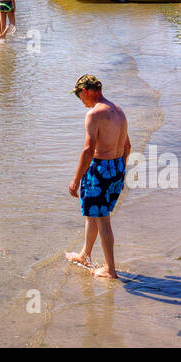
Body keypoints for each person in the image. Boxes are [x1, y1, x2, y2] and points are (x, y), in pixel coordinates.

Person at [65, 74, 130, 280]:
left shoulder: (94, 114)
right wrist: (118, 172)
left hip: (100, 168)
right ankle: (85, 254)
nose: (81, 101)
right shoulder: (118, 110)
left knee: (102, 218)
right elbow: (127, 146)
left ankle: (110, 269)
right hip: (118, 166)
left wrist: (75, 180)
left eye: (79, 96)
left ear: (86, 92)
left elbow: (88, 149)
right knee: (94, 213)